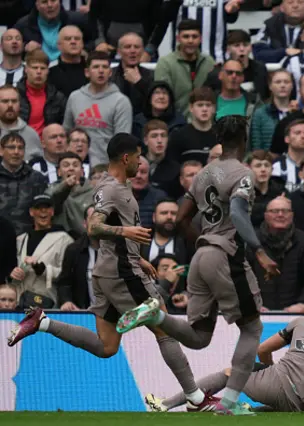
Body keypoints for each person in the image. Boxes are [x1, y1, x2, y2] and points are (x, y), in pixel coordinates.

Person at [7, 133, 217, 412]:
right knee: (163, 328)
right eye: (139, 156)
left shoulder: (115, 186)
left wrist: (136, 255)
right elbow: (93, 227)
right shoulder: (111, 190)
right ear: (126, 158)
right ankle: (195, 398)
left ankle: (43, 322)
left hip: (109, 271)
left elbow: (108, 234)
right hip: (121, 273)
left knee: (107, 347)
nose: (142, 163)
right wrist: (126, 233)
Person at [116, 116, 280, 415]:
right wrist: (259, 252)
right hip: (226, 255)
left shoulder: (203, 175)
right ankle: (228, 404)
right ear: (244, 138)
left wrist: (205, 243)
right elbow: (239, 213)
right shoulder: (244, 174)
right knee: (252, 327)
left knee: (199, 337)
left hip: (201, 255)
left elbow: (179, 219)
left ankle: (156, 315)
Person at [145, 314, 304, 413]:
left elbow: (262, 350)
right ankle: (234, 412)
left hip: (276, 384)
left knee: (232, 372)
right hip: (301, 406)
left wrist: (270, 371)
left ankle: (164, 404)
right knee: (267, 411)